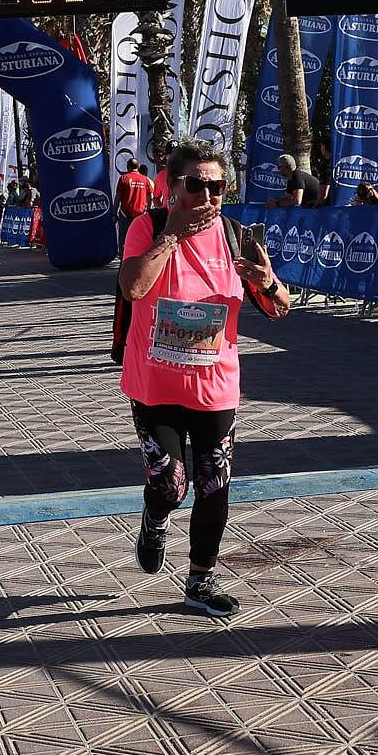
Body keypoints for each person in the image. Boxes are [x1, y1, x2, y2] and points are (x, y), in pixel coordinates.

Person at [117, 138, 289, 619]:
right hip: (156, 387)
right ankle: (154, 519)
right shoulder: (146, 227)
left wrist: (266, 281)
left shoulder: (234, 235)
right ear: (172, 188)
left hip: (215, 387)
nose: (209, 197)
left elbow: (280, 307)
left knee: (214, 484)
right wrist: (170, 235)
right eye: (197, 186)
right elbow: (132, 287)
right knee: (172, 484)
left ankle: (200, 580)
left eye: (218, 187)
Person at [115, 159, 152, 251]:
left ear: (127, 167)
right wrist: (148, 211)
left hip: (125, 215)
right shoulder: (145, 179)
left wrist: (114, 212)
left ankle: (123, 261)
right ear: (138, 167)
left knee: (124, 240)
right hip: (140, 215)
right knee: (140, 240)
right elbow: (150, 197)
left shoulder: (123, 178)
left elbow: (118, 197)